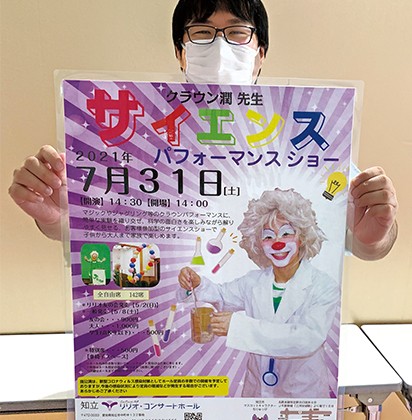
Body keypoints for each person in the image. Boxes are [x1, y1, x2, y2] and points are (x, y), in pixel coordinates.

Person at [8, 0, 398, 258]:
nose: (220, 46)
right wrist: (57, 217)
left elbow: (363, 243)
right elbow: (94, 235)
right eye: (201, 32)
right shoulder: (134, 135)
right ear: (181, 52)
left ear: (260, 54)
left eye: (238, 32)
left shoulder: (301, 138)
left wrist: (376, 234)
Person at [178, 188, 340, 397]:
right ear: (259, 243)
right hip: (257, 392)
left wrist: (238, 327)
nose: (277, 243)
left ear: (302, 237)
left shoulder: (323, 286)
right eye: (268, 236)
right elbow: (221, 295)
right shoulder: (253, 282)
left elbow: (307, 338)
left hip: (302, 393)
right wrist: (196, 283)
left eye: (286, 234)